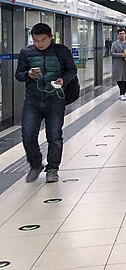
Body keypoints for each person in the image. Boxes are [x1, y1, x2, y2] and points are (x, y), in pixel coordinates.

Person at [15, 23, 77, 183]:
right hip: (32, 100)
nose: (39, 44)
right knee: (28, 134)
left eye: (43, 40)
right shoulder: (26, 52)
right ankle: (35, 164)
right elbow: (19, 74)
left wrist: (63, 80)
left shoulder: (61, 51)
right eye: (35, 40)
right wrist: (28, 75)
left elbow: (72, 70)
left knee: (54, 135)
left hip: (55, 99)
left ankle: (52, 168)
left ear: (51, 37)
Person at [110, 28, 126, 100]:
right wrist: (121, 55)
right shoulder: (114, 44)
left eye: (123, 33)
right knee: (118, 79)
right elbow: (112, 53)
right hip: (117, 64)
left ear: (125, 35)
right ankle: (121, 93)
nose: (122, 35)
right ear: (118, 35)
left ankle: (123, 93)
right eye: (120, 34)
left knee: (124, 79)